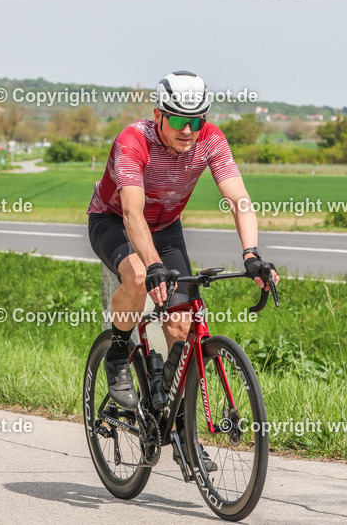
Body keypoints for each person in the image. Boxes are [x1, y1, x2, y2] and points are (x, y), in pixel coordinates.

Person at [87, 70, 279, 470]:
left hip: (167, 227)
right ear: (159, 115)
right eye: (178, 120)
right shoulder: (133, 140)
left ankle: (176, 428)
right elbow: (133, 213)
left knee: (181, 327)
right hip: (114, 221)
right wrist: (153, 264)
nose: (188, 130)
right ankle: (119, 353)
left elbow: (239, 198)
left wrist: (251, 255)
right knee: (138, 277)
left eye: (196, 121)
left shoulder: (211, 139)